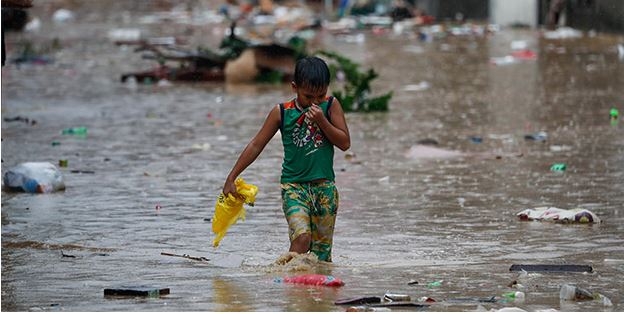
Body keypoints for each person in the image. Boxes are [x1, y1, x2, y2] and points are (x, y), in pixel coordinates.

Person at [221, 56, 351, 262]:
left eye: (321, 95)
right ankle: (281, 276)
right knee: (302, 237)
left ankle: (304, 292)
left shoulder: (331, 106)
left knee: (322, 256)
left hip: (324, 187)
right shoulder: (281, 112)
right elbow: (256, 144)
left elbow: (344, 143)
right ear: (294, 87)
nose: (315, 102)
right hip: (294, 187)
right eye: (308, 96)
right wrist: (232, 177)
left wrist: (322, 121)